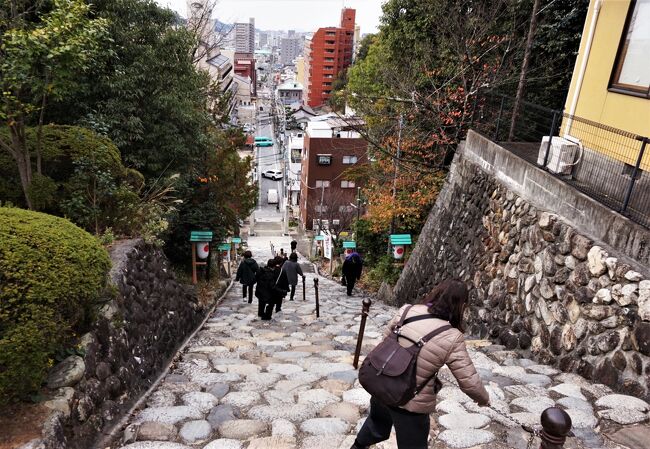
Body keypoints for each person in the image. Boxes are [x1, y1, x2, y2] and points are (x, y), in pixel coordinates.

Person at [351, 280, 490, 449]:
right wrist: (483, 399)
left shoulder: (407, 310)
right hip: (410, 401)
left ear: (436, 293)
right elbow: (469, 381)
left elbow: (385, 340)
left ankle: (357, 447)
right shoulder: (452, 336)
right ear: (462, 306)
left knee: (376, 424)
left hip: (383, 385)